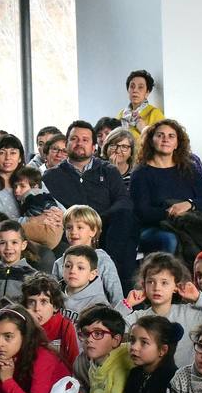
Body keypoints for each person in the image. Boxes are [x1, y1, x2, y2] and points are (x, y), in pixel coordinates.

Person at [46, 120, 137, 282]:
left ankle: (121, 295)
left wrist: (96, 221)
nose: (79, 143)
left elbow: (124, 201)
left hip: (107, 230)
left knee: (125, 217)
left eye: (85, 139)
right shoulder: (51, 177)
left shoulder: (109, 171)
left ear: (94, 146)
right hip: (72, 233)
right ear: (66, 144)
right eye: (74, 139)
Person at [116, 252, 202, 367]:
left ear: (176, 286)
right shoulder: (139, 317)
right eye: (151, 282)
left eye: (164, 283)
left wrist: (198, 298)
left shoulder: (189, 314)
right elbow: (112, 328)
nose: (157, 288)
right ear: (143, 285)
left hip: (183, 380)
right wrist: (126, 304)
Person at [129, 119, 202, 256]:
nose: (165, 139)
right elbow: (142, 212)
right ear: (151, 140)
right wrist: (171, 212)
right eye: (160, 135)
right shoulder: (141, 173)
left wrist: (189, 204)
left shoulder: (189, 169)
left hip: (188, 224)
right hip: (153, 228)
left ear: (177, 143)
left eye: (171, 136)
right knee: (171, 239)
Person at [119, 69, 165, 134]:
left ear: (147, 93)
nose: (135, 90)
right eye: (132, 86)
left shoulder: (154, 113)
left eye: (140, 87)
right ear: (128, 90)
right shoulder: (121, 115)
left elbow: (161, 141)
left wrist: (144, 129)